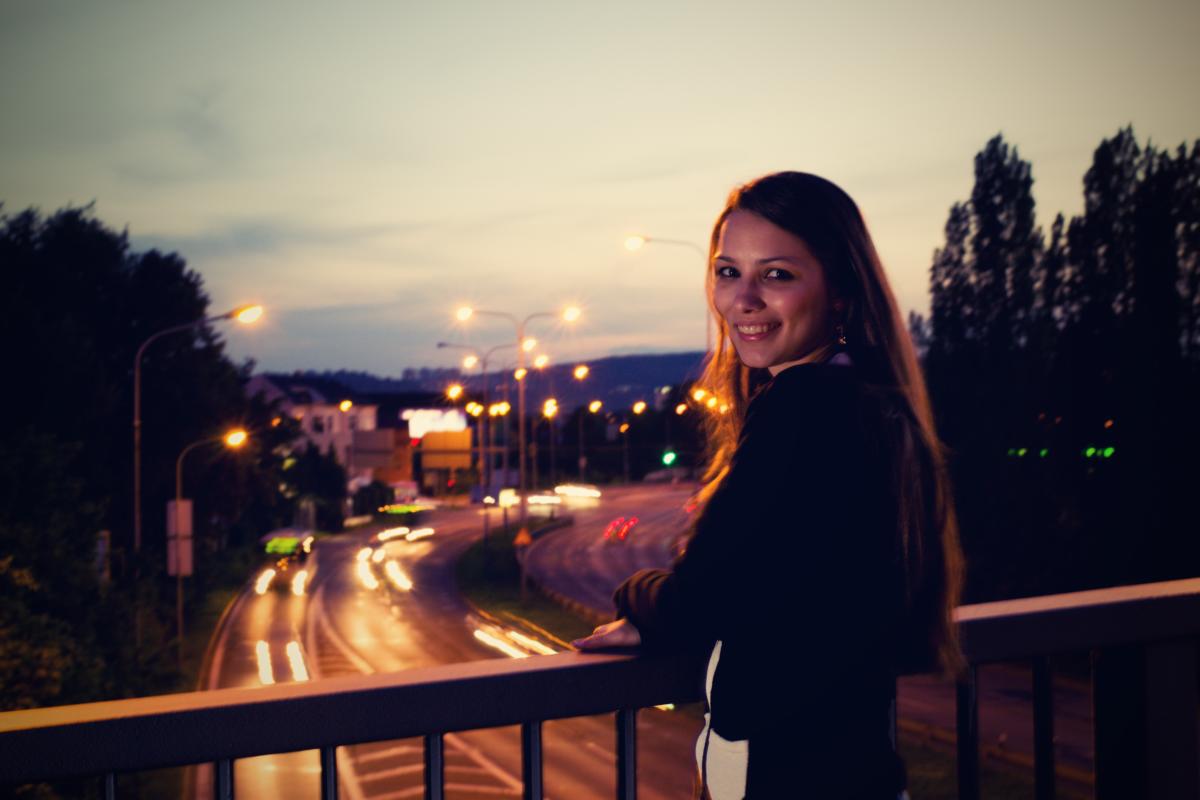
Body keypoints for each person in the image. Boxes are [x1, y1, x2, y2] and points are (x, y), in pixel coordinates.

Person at [572, 171, 965, 799]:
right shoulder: (873, 401)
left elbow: (699, 599)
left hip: (786, 775)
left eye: (777, 275)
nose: (743, 299)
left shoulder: (800, 405)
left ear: (840, 292)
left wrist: (635, 594)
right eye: (728, 272)